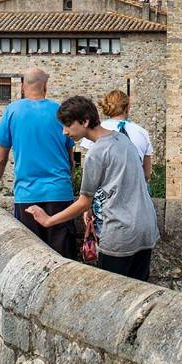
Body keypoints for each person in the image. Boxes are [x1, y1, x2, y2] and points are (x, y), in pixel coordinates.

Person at [27, 96, 159, 280]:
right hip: (146, 230)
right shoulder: (123, 140)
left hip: (120, 234)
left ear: (85, 121)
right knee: (139, 297)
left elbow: (83, 202)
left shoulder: (95, 154)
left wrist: (49, 220)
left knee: (113, 298)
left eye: (67, 125)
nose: (64, 132)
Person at [0, 67, 78, 258]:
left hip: (27, 196)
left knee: (32, 258)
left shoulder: (13, 111)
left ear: (23, 87)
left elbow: (0, 159)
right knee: (64, 260)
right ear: (46, 86)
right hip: (59, 194)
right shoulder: (59, 112)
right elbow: (70, 158)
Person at [80, 90, 153, 180]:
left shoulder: (96, 130)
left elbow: (89, 167)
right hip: (136, 187)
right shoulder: (142, 132)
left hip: (106, 188)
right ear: (127, 107)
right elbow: (147, 174)